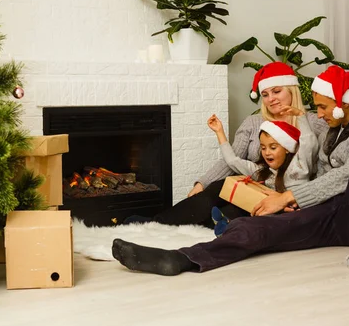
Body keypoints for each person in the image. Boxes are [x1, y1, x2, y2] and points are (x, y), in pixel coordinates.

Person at [112, 65, 349, 276]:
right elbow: (316, 176)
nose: (321, 113)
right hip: (335, 213)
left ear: (343, 103)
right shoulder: (331, 131)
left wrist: (289, 196)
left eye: (324, 107)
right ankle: (181, 259)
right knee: (254, 227)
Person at [123, 62, 327, 228]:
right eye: (265, 94)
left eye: (276, 91)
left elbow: (322, 169)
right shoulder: (253, 123)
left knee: (230, 212)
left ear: (291, 90)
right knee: (218, 188)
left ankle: (208, 226)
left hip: (288, 199)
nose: (271, 99)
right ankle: (156, 224)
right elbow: (232, 160)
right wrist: (202, 183)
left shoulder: (315, 123)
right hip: (255, 187)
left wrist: (300, 198)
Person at [208, 108, 319, 236]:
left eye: (273, 147)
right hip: (271, 216)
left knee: (263, 221)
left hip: (296, 219)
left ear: (287, 148)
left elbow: (309, 144)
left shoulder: (299, 166)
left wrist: (301, 116)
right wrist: (219, 132)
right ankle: (228, 225)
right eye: (263, 147)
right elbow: (233, 161)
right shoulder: (262, 172)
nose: (267, 152)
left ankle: (232, 228)